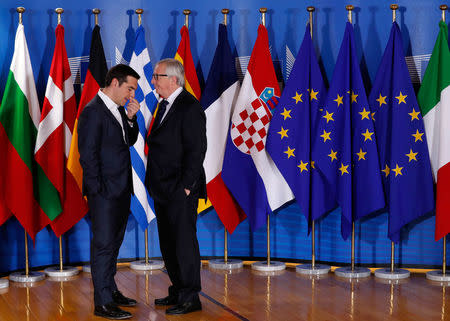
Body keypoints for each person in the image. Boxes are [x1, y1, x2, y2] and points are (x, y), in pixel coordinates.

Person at [78, 64, 141, 320]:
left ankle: (111, 291)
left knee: (113, 244)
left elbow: (129, 140)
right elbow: (88, 156)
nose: (132, 95)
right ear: (114, 83)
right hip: (104, 194)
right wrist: (97, 192)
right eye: (130, 88)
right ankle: (102, 302)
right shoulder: (93, 111)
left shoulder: (116, 109)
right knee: (103, 246)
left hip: (121, 191)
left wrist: (131, 118)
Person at [146, 58, 207, 315]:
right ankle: (178, 289)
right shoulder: (164, 104)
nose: (153, 81)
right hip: (161, 189)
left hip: (180, 190)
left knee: (183, 244)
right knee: (168, 244)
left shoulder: (190, 107)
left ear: (173, 79)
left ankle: (190, 296)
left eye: (157, 76)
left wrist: (185, 187)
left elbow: (197, 151)